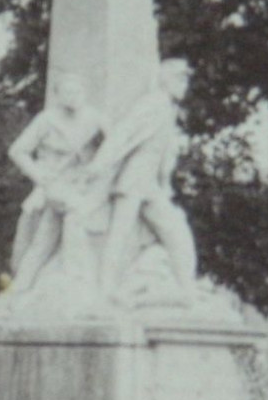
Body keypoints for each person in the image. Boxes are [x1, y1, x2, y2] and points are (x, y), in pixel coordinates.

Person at [85, 59, 198, 301]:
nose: (184, 85)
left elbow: (165, 152)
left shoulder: (168, 107)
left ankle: (186, 288)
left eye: (186, 79)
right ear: (165, 80)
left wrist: (164, 181)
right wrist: (99, 164)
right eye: (180, 79)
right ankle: (105, 289)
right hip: (135, 179)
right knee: (120, 234)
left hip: (151, 184)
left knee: (175, 229)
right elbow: (123, 132)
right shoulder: (153, 103)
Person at [7, 70, 105, 294]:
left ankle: (23, 283)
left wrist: (98, 165)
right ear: (58, 95)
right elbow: (18, 150)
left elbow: (114, 141)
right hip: (53, 182)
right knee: (75, 212)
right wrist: (38, 175)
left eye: (78, 91)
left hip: (78, 182)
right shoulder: (47, 119)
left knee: (45, 237)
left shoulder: (94, 117)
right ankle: (75, 276)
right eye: (67, 92)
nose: (73, 96)